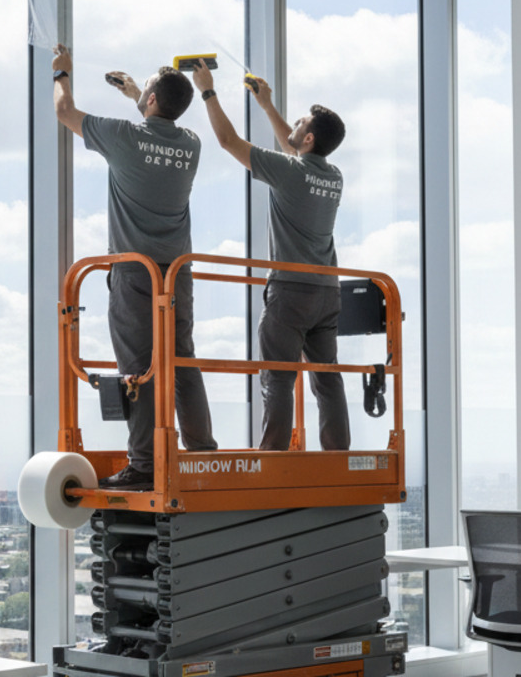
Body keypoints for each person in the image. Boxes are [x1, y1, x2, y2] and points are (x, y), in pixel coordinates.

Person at [52, 44, 217, 490]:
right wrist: (137, 96)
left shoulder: (123, 136)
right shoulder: (193, 145)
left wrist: (61, 70)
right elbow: (159, 135)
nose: (140, 91)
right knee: (182, 358)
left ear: (152, 102)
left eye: (144, 89)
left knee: (139, 368)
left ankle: (144, 463)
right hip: (177, 271)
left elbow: (64, 110)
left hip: (135, 271)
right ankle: (202, 450)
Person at [189, 60, 349, 451]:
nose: (292, 126)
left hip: (290, 293)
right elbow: (294, 151)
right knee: (327, 378)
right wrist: (267, 106)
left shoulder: (290, 172)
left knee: (277, 376)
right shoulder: (333, 176)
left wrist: (207, 91)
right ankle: (338, 457)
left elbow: (228, 142)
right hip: (327, 292)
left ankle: (272, 459)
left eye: (299, 123)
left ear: (308, 139)